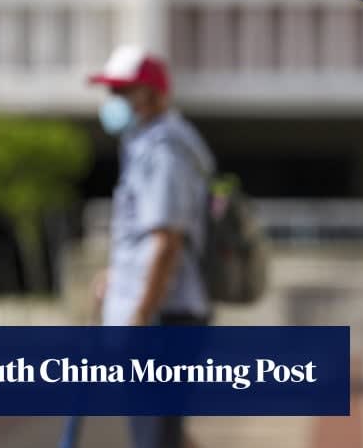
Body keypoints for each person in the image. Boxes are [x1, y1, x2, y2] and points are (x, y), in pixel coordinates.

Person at [88, 45, 214, 448]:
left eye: (125, 92)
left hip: (162, 315)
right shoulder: (148, 143)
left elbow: (166, 240)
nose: (115, 102)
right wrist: (117, 275)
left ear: (154, 94)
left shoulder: (165, 150)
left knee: (154, 433)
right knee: (163, 430)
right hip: (157, 309)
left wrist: (140, 312)